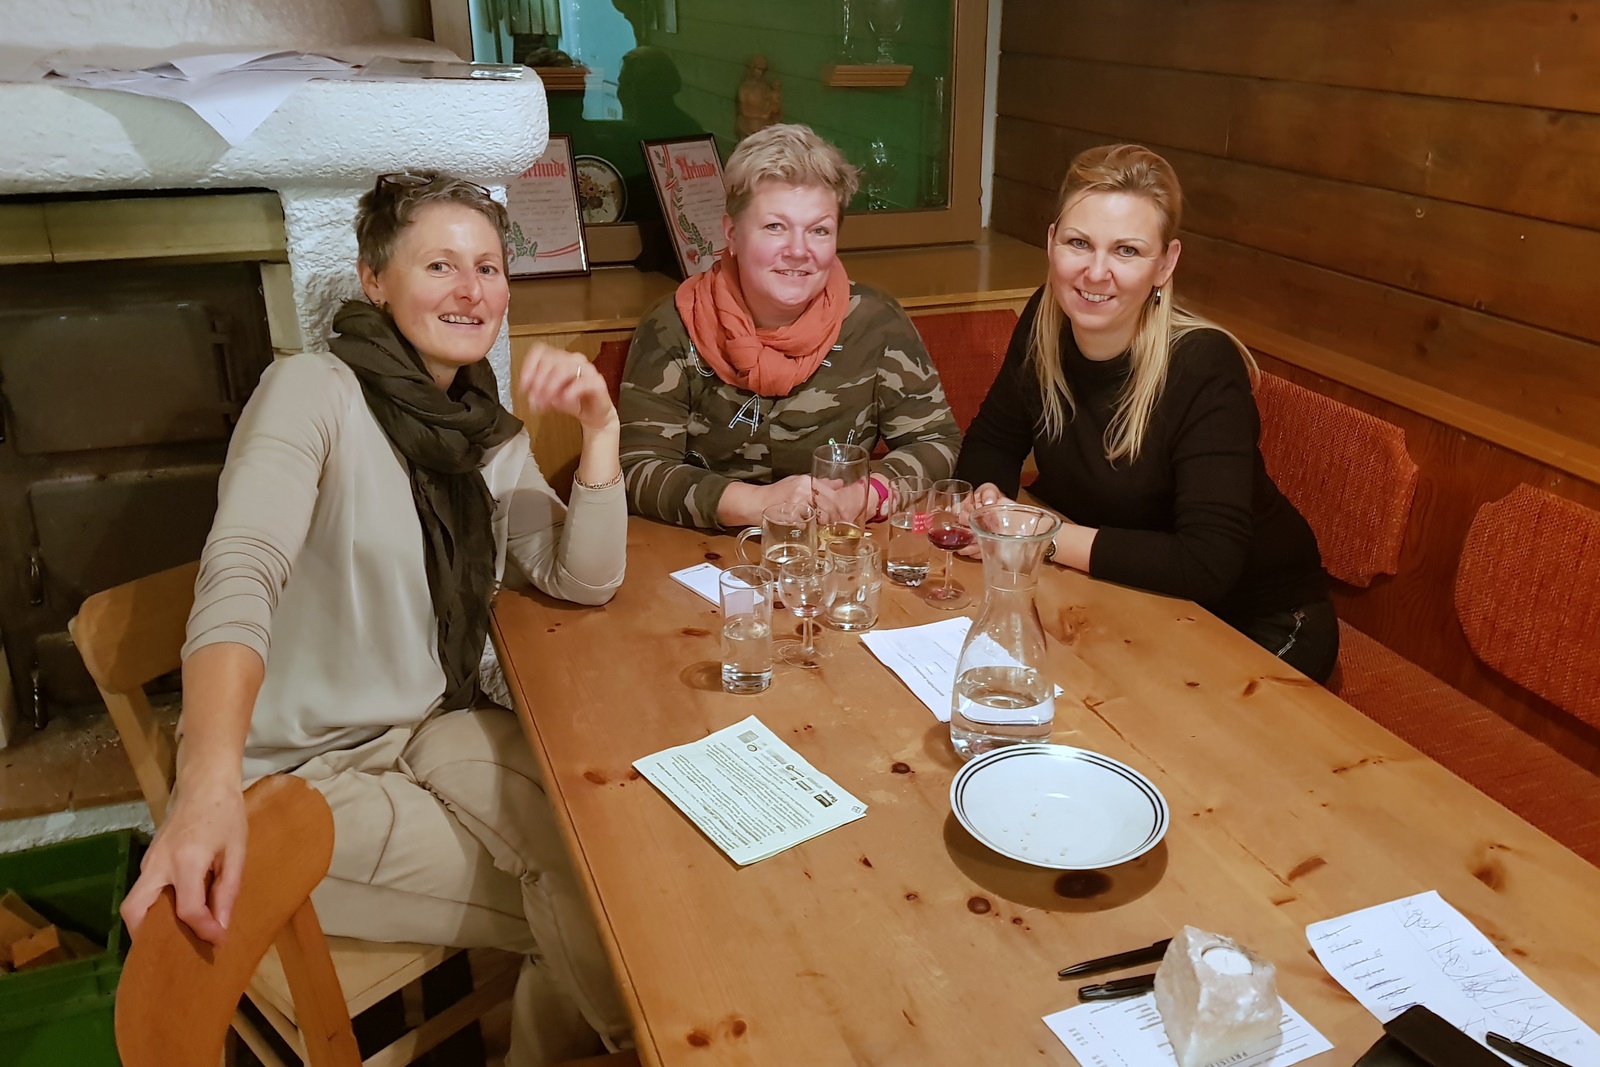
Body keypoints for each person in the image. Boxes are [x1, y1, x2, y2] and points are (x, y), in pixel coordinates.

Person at [118, 172, 631, 1064]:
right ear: (374, 279)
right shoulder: (311, 389)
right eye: (439, 265)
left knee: (608, 854)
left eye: (488, 267)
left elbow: (580, 578)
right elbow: (240, 570)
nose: (471, 289)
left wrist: (599, 431)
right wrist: (204, 788)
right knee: (600, 910)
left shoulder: (486, 434)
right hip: (299, 775)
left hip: (428, 727)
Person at [955, 145, 1338, 683]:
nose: (1096, 272)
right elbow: (993, 441)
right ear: (1051, 242)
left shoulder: (1202, 363)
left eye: (1127, 251)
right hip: (1131, 598)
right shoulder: (1048, 315)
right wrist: (988, 503)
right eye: (1078, 243)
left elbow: (1206, 562)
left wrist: (1035, 536)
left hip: (1256, 620)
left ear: (1166, 263)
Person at [619, 122, 961, 530]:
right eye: (774, 227)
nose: (798, 251)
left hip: (833, 545)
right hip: (707, 551)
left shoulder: (875, 319)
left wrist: (868, 494)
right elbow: (637, 469)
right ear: (732, 233)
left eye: (819, 230)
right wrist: (755, 503)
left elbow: (936, 441)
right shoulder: (673, 324)